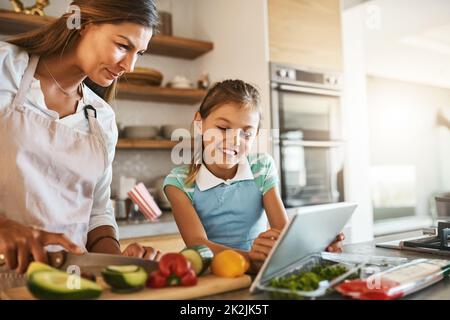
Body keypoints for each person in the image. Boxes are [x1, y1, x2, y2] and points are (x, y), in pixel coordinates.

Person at [0, 0, 160, 282]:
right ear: (84, 24)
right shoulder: (6, 69)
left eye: (140, 53)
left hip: (69, 281)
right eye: (123, 46)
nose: (130, 66)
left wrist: (115, 259)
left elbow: (97, 214)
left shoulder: (102, 118)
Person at [163, 80, 344, 273]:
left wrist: (315, 245)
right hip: (210, 277)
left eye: (246, 134)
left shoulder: (261, 168)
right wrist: (252, 260)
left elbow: (282, 232)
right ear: (199, 124)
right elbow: (198, 246)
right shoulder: (178, 183)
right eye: (223, 128)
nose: (234, 140)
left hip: (257, 275)